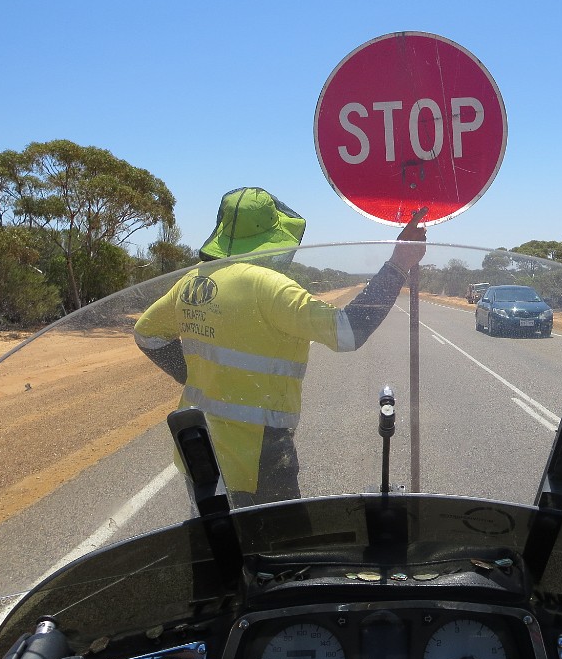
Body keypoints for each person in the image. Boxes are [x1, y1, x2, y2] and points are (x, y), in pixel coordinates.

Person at [134, 187, 427, 505]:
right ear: (273, 234)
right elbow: (349, 331)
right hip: (260, 454)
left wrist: (194, 376)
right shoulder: (269, 287)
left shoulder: (192, 281)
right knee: (279, 549)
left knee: (212, 543)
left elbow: (147, 334)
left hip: (198, 450)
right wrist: (399, 264)